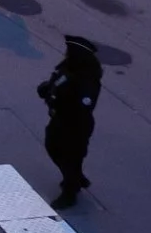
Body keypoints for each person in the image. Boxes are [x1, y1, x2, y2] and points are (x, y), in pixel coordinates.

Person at [39, 35, 103, 209]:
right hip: (60, 120)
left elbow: (83, 105)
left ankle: (70, 191)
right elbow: (58, 80)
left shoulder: (86, 79)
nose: (65, 54)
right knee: (54, 148)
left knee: (68, 157)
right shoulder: (70, 67)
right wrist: (48, 89)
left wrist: (58, 100)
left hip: (74, 126)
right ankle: (76, 176)